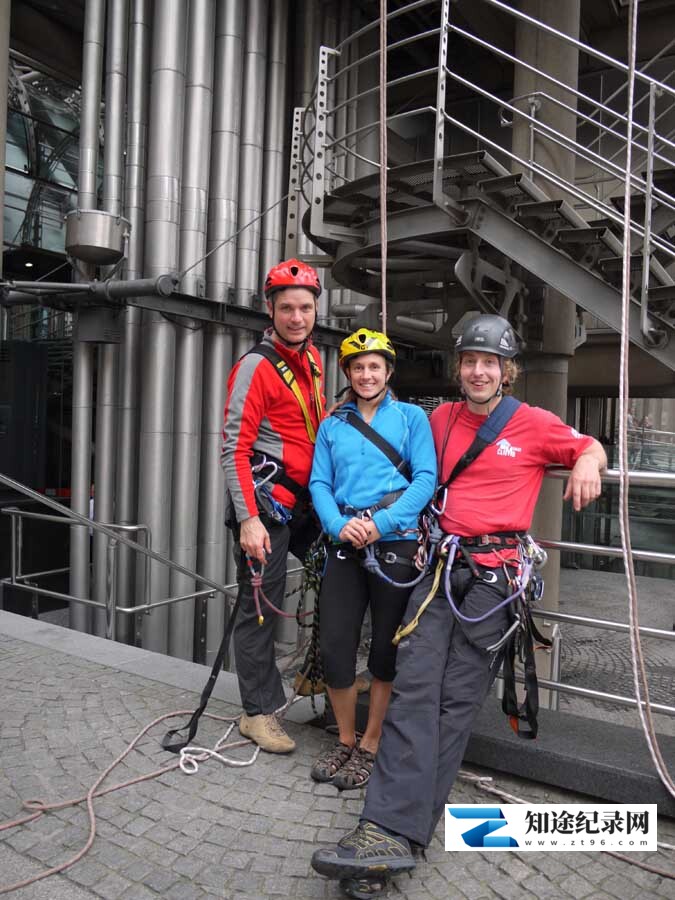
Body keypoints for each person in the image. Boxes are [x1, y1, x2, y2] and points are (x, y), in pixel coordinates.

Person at [311, 314, 607, 890]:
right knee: (415, 687)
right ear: (460, 368)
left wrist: (591, 459)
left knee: (454, 702)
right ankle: (387, 826)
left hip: (494, 580)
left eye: (488, 363)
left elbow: (585, 443)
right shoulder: (438, 419)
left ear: (506, 371)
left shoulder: (531, 422)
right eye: (469, 362)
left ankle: (400, 832)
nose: (477, 371)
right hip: (442, 567)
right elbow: (409, 465)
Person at [308, 329, 436, 790]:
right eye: (358, 367)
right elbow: (319, 483)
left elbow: (425, 479)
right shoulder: (333, 425)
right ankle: (345, 737)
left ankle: (372, 742)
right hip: (344, 540)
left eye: (374, 366)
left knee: (385, 649)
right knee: (336, 647)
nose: (366, 374)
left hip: (395, 542)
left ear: (388, 371)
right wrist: (336, 524)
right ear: (348, 372)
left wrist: (379, 526)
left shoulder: (411, 419)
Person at [221, 258, 325, 753]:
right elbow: (234, 448)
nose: (297, 317)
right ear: (271, 309)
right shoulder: (256, 367)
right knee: (260, 607)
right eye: (287, 308)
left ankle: (316, 673)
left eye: (305, 307)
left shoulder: (316, 361)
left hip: (306, 502)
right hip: (266, 508)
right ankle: (256, 713)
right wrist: (247, 520)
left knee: (339, 572)